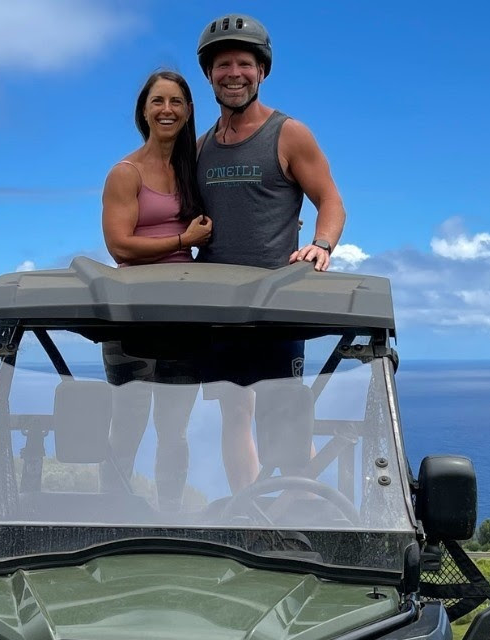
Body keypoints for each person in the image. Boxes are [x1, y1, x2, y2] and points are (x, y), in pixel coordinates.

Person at [194, 14, 347, 491]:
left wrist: (321, 244)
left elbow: (330, 200)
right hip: (218, 307)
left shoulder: (288, 133)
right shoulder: (200, 148)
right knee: (234, 413)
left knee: (286, 419)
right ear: (209, 74)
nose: (233, 74)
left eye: (244, 63)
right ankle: (249, 511)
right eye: (223, 65)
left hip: (276, 302)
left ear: (261, 71)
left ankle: (302, 510)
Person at [100, 71, 212, 511]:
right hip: (132, 315)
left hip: (184, 314)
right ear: (144, 111)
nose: (167, 110)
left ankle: (170, 515)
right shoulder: (125, 173)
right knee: (126, 426)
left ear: (188, 111)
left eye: (176, 102)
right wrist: (183, 241)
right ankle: (113, 513)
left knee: (174, 432)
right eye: (158, 101)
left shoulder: (190, 170)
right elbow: (120, 245)